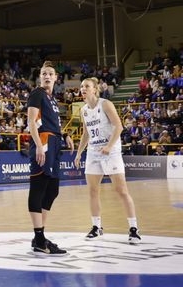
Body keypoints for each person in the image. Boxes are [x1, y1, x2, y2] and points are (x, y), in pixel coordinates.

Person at [74, 77, 141, 243]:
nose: (83, 89)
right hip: (93, 152)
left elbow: (119, 126)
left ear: (95, 89)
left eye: (86, 86)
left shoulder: (105, 104)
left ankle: (133, 228)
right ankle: (97, 227)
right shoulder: (84, 110)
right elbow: (86, 133)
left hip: (111, 151)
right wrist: (78, 153)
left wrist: (109, 147)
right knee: (92, 191)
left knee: (121, 190)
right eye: (82, 86)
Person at [26, 61, 70, 255]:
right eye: (43, 73)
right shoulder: (37, 93)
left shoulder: (52, 99)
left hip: (54, 142)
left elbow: (52, 123)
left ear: (55, 78)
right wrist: (38, 146)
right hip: (43, 142)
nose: (46, 76)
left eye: (50, 73)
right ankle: (40, 238)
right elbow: (32, 121)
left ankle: (39, 237)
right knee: (39, 187)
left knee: (52, 190)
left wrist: (65, 135)